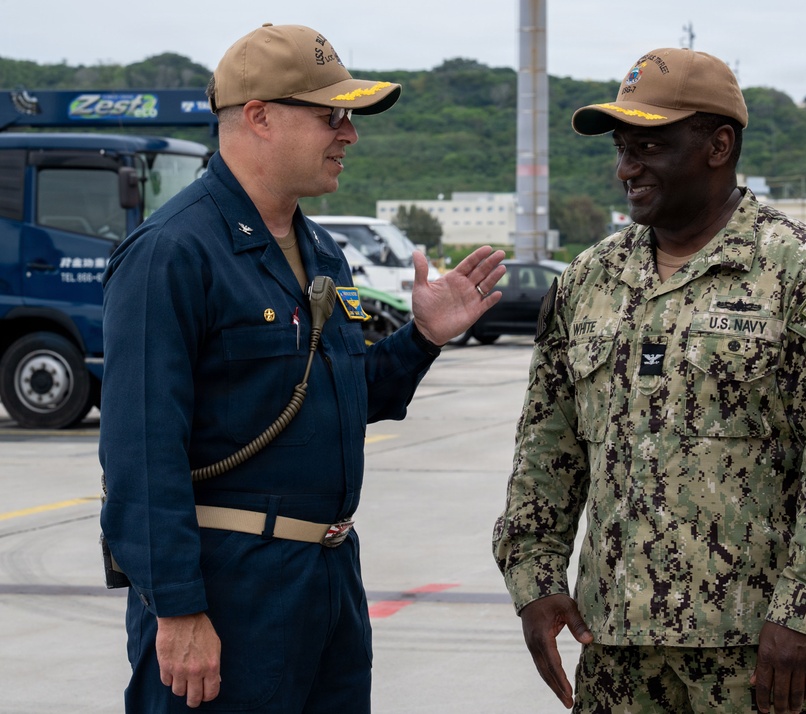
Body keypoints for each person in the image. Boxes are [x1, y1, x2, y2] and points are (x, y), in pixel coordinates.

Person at [99, 23, 505, 713]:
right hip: (230, 585)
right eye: (331, 115)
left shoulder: (320, 253)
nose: (348, 134)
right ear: (258, 116)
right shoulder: (173, 251)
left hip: (324, 578)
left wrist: (423, 338)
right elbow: (140, 449)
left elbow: (336, 395)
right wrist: (177, 609)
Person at [492, 47, 806, 714]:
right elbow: (547, 448)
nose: (627, 168)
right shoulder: (587, 283)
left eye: (649, 146)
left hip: (755, 657)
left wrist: (805, 612)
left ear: (718, 146)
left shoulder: (803, 277)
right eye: (622, 148)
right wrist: (534, 579)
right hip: (616, 650)